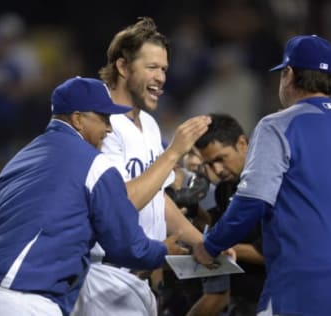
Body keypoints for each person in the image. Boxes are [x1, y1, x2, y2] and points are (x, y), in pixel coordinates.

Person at [192, 35, 331, 316]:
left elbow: (252, 202)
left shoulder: (277, 125)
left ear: (289, 74)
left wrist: (210, 245)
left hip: (309, 280)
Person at [0, 76, 174, 316]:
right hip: (25, 297)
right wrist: (163, 251)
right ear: (78, 119)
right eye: (103, 117)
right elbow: (126, 245)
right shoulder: (93, 163)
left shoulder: (18, 161)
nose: (109, 127)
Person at [72, 17, 211, 316]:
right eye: (151, 67)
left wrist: (203, 243)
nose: (161, 77)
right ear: (123, 67)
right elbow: (117, 203)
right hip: (104, 280)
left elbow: (157, 200)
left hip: (140, 280)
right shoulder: (102, 125)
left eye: (164, 69)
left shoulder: (148, 124)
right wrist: (173, 153)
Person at [186, 113, 265, 316]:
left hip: (270, 300)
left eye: (221, 159)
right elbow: (218, 227)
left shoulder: (271, 185)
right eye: (210, 163)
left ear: (242, 143)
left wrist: (220, 246)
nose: (218, 170)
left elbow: (276, 251)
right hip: (239, 301)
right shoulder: (225, 188)